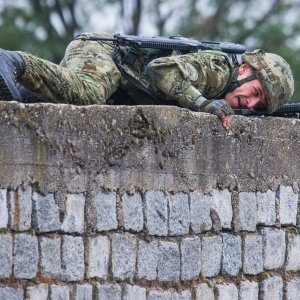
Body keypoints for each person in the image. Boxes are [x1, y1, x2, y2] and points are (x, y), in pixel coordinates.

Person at [0, 32, 294, 130]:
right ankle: (12, 61)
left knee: (35, 103)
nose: (251, 102)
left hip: (120, 83)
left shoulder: (233, 92)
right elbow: (160, 70)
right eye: (255, 92)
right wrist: (203, 103)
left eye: (260, 104)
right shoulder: (218, 68)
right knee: (87, 94)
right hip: (106, 55)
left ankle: (15, 82)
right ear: (244, 71)